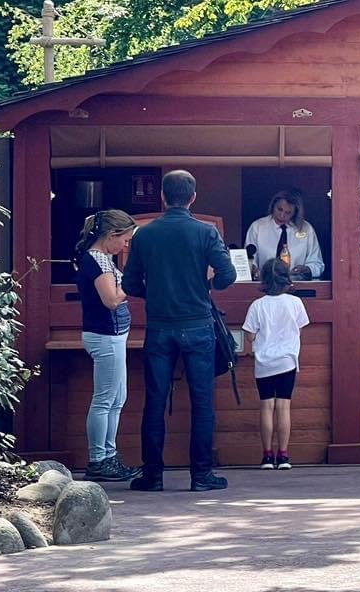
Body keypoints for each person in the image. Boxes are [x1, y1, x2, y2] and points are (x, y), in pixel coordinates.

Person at [122, 170, 236, 492]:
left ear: (162, 196)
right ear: (193, 198)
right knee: (202, 403)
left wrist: (156, 294)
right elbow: (227, 276)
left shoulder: (144, 235)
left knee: (155, 401)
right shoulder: (206, 232)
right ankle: (201, 476)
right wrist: (205, 286)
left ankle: (153, 475)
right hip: (198, 324)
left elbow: (130, 283)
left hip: (159, 327)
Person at [75, 209, 142, 482]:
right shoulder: (97, 261)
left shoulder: (101, 259)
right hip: (105, 335)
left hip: (112, 336)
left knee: (116, 399)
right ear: (111, 235)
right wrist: (130, 281)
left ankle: (108, 455)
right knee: (105, 400)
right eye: (124, 240)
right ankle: (98, 459)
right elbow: (112, 300)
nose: (125, 246)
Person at [243, 259, 310, 470]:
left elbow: (250, 337)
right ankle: (283, 455)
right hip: (287, 360)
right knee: (283, 405)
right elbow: (300, 327)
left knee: (266, 405)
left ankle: (266, 456)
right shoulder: (295, 303)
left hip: (264, 362)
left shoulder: (257, 306)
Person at [245, 189, 324, 280]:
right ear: (273, 205)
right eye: (279, 209)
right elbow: (249, 260)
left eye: (288, 213)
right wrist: (253, 270)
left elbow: (317, 264)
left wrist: (307, 269)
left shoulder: (306, 229)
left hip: (296, 285)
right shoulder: (257, 227)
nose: (282, 215)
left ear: (295, 213)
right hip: (266, 284)